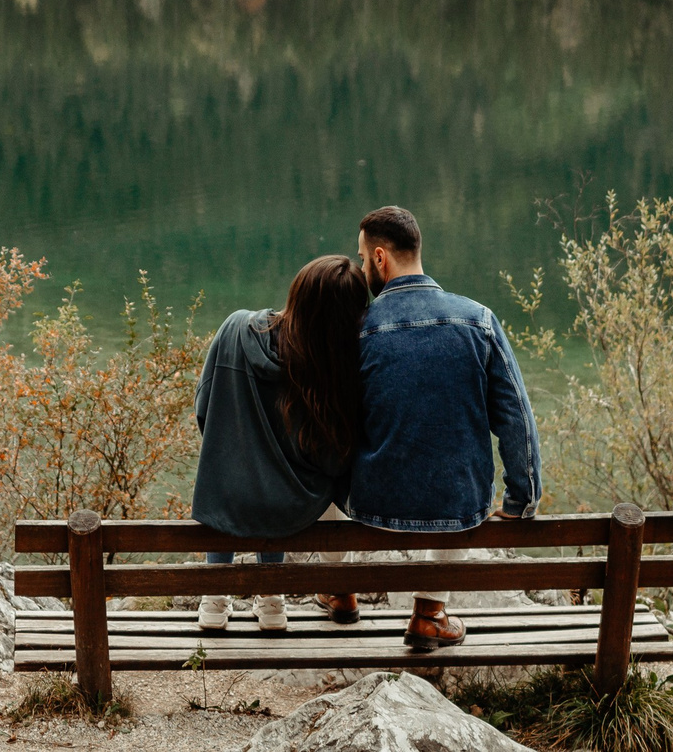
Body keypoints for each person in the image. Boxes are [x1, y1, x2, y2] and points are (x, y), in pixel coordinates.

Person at [340, 204, 541, 654]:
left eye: (361, 256)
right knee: (460, 481)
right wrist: (521, 499)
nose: (360, 267)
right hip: (456, 510)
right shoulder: (479, 320)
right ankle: (429, 613)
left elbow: (335, 422)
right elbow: (515, 417)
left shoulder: (358, 331)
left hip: (372, 506)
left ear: (379, 258)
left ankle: (338, 589)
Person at [188, 253, 372, 633]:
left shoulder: (236, 329)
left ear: (298, 292)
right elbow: (333, 459)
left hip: (229, 491)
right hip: (291, 505)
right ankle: (272, 600)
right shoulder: (335, 369)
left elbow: (204, 407)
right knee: (275, 484)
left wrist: (235, 448)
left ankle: (214, 599)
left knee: (228, 471)